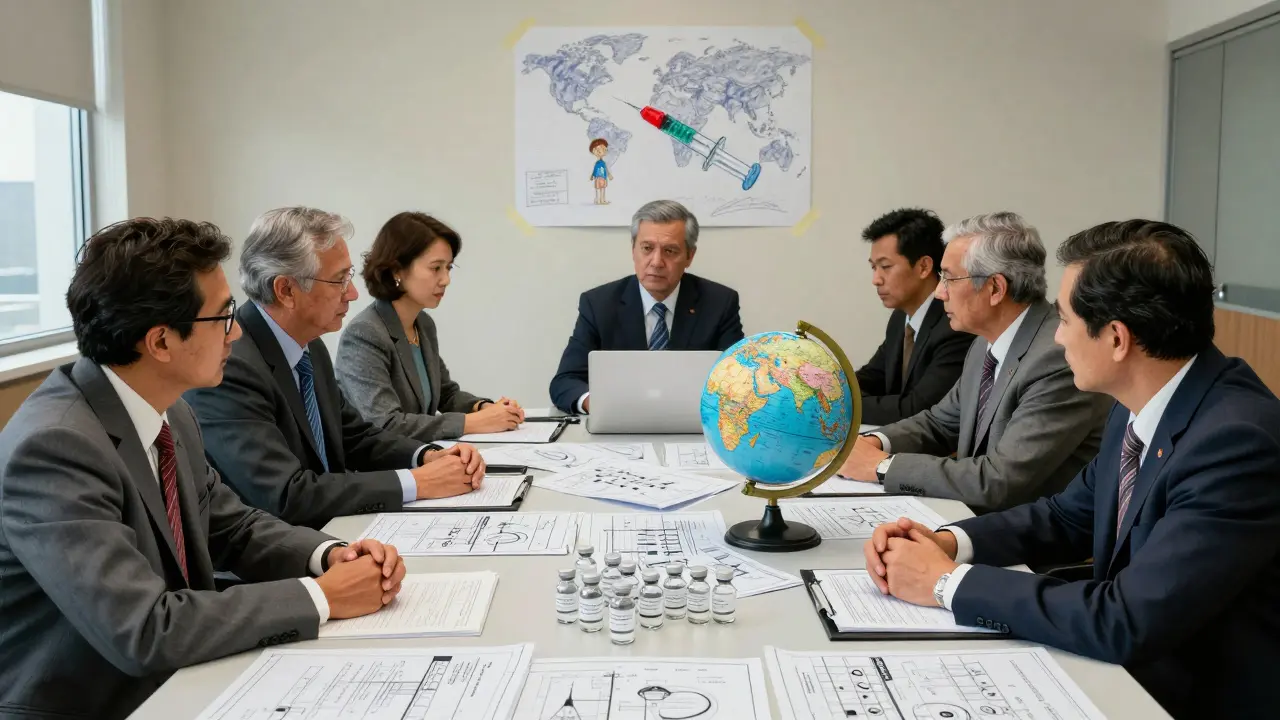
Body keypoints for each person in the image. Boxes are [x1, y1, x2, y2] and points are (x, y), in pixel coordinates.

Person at [862, 220, 1280, 719]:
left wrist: (946, 583)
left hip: (1192, 696)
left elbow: (1125, 619)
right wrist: (947, 542)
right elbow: (1066, 515)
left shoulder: (1236, 443)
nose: (1056, 338)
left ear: (1117, 339)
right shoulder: (1141, 401)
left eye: (1063, 320)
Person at [0, 218, 407, 720]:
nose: (236, 332)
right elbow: (145, 630)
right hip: (98, 704)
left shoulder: (169, 410)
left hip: (180, 678)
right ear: (161, 342)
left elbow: (233, 527)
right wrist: (320, 597)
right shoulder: (54, 448)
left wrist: (328, 556)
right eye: (223, 316)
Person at [186, 207, 486, 530]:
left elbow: (354, 437)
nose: (353, 293)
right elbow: (286, 495)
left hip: (332, 531)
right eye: (339, 280)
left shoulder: (310, 346)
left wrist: (427, 455)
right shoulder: (232, 367)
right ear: (286, 290)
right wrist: (417, 482)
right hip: (280, 547)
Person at [838, 211, 1111, 512]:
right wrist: (874, 443)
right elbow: (940, 423)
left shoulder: (1056, 358)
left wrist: (882, 466)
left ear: (995, 289)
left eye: (949, 278)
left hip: (1028, 532)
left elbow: (998, 480)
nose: (939, 292)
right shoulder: (985, 341)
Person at [336, 212, 524, 443]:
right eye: (436, 268)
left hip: (422, 454)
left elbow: (445, 393)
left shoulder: (423, 323)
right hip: (377, 463)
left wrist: (485, 408)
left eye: (449, 268)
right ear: (396, 271)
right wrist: (474, 422)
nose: (446, 279)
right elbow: (384, 423)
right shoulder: (365, 334)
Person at [549, 199, 745, 414]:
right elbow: (565, 381)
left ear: (689, 256)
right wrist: (595, 403)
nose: (656, 262)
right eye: (647, 248)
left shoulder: (720, 303)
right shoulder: (599, 304)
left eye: (670, 251)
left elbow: (738, 381)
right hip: (620, 423)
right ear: (633, 250)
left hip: (692, 424)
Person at [855, 208, 975, 424]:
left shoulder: (955, 325)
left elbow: (917, 409)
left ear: (923, 267)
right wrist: (829, 390)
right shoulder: (900, 318)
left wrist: (842, 407)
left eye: (885, 267)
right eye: (874, 267)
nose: (876, 279)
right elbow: (873, 376)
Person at [590, 138, 612, 205]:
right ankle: (598, 200)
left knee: (603, 189)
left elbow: (606, 169)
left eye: (605, 149)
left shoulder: (603, 163)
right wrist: (592, 176)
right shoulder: (597, 163)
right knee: (598, 189)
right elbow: (594, 170)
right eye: (601, 149)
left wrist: (609, 175)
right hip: (598, 178)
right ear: (595, 151)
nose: (604, 151)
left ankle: (602, 200)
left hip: (603, 178)